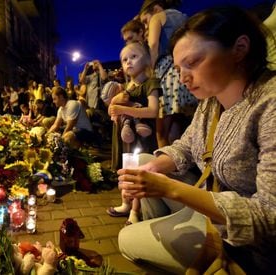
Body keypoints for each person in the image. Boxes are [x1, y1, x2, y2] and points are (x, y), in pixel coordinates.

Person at [117, 7, 276, 274]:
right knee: (146, 162)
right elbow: (186, 146)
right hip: (212, 211)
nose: (183, 78)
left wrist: (168, 189)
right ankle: (171, 240)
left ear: (239, 48)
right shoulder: (211, 102)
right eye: (179, 68)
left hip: (248, 245)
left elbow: (269, 217)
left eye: (193, 62)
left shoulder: (268, 104)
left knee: (127, 240)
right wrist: (154, 170)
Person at [106, 42, 161, 225]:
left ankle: (136, 211)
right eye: (124, 59)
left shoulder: (150, 83)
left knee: (139, 169)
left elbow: (152, 110)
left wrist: (126, 110)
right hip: (126, 134)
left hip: (144, 134)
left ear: (146, 59)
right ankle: (125, 202)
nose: (128, 62)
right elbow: (113, 108)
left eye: (134, 57)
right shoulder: (127, 88)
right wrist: (116, 109)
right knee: (128, 167)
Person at [138, 0, 198, 148]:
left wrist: (151, 69)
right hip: (183, 70)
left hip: (167, 74)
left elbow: (153, 45)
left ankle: (164, 168)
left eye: (146, 21)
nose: (146, 26)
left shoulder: (158, 17)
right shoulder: (184, 17)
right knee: (176, 126)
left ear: (156, 8)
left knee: (161, 131)